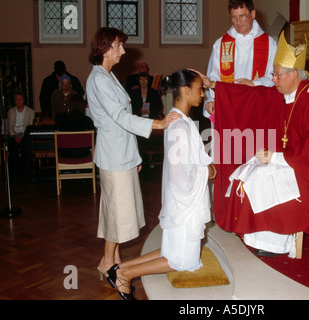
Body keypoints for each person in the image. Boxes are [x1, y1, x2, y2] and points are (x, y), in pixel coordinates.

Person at [198, 33, 309, 257]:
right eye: (274, 74)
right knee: (248, 170)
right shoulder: (290, 94)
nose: (273, 80)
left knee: (260, 177)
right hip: (296, 162)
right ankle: (260, 234)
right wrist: (214, 86)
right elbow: (256, 97)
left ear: (294, 74)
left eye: (277, 75)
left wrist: (276, 157)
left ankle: (277, 243)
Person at [105, 69, 216, 300]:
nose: (203, 94)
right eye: (200, 89)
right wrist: (207, 170)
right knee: (182, 261)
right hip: (183, 203)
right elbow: (179, 173)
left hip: (180, 201)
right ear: (185, 91)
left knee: (173, 252)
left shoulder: (180, 120)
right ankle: (126, 275)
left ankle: (118, 269)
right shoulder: (180, 126)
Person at [86, 27, 181, 288]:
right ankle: (107, 263)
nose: (123, 50)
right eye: (118, 46)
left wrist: (135, 154)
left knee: (112, 210)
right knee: (118, 213)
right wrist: (158, 124)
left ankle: (113, 260)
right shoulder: (98, 79)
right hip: (114, 155)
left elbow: (118, 119)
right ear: (105, 48)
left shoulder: (107, 76)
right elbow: (119, 118)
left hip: (121, 152)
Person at [204, 0, 277, 117]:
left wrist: (254, 84)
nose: (238, 22)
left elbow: (274, 75)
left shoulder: (269, 43)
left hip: (257, 107)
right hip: (228, 108)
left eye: (242, 16)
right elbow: (212, 76)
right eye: (234, 17)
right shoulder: (221, 44)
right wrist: (211, 100)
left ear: (253, 14)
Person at [5, 91, 35, 176]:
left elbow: (30, 126)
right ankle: (13, 171)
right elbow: (9, 127)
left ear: (23, 100)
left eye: (20, 99)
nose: (18, 101)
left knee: (25, 146)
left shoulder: (30, 112)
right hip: (14, 135)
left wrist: (22, 135)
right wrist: (14, 135)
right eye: (16, 99)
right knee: (12, 146)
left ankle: (27, 170)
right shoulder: (10, 112)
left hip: (25, 135)